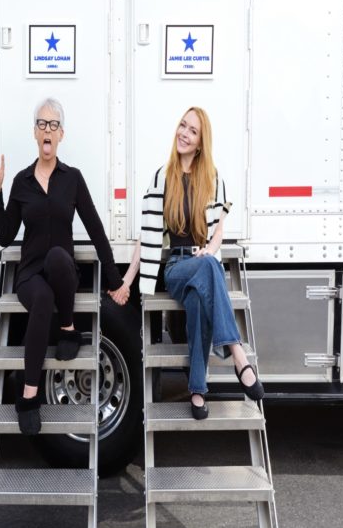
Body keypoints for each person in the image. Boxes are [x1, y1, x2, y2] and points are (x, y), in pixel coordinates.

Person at [111, 106, 264, 419]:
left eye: (192, 131)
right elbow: (148, 234)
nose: (184, 133)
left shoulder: (213, 179)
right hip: (177, 267)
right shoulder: (162, 177)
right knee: (208, 268)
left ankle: (197, 390)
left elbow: (218, 230)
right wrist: (127, 280)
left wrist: (209, 249)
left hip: (202, 261)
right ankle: (238, 354)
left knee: (198, 300)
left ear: (200, 142)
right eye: (183, 126)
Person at [0, 97, 128, 434]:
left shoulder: (72, 179)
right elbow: (6, 236)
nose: (47, 130)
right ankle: (29, 396)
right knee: (41, 298)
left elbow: (95, 230)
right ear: (35, 133)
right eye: (42, 124)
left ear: (61, 134)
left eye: (53, 124)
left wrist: (115, 280)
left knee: (57, 257)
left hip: (61, 270)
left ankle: (67, 327)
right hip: (30, 275)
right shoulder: (22, 181)